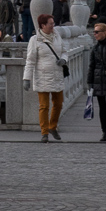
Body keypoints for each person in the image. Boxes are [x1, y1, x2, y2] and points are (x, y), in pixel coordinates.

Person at [23, 12, 66, 141]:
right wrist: (26, 78)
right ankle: (44, 132)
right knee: (44, 106)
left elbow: (64, 51)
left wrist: (64, 59)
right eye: (50, 23)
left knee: (58, 103)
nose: (53, 25)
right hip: (42, 76)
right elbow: (30, 60)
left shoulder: (57, 36)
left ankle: (53, 126)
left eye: (53, 23)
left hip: (57, 75)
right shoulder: (35, 40)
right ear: (43, 25)